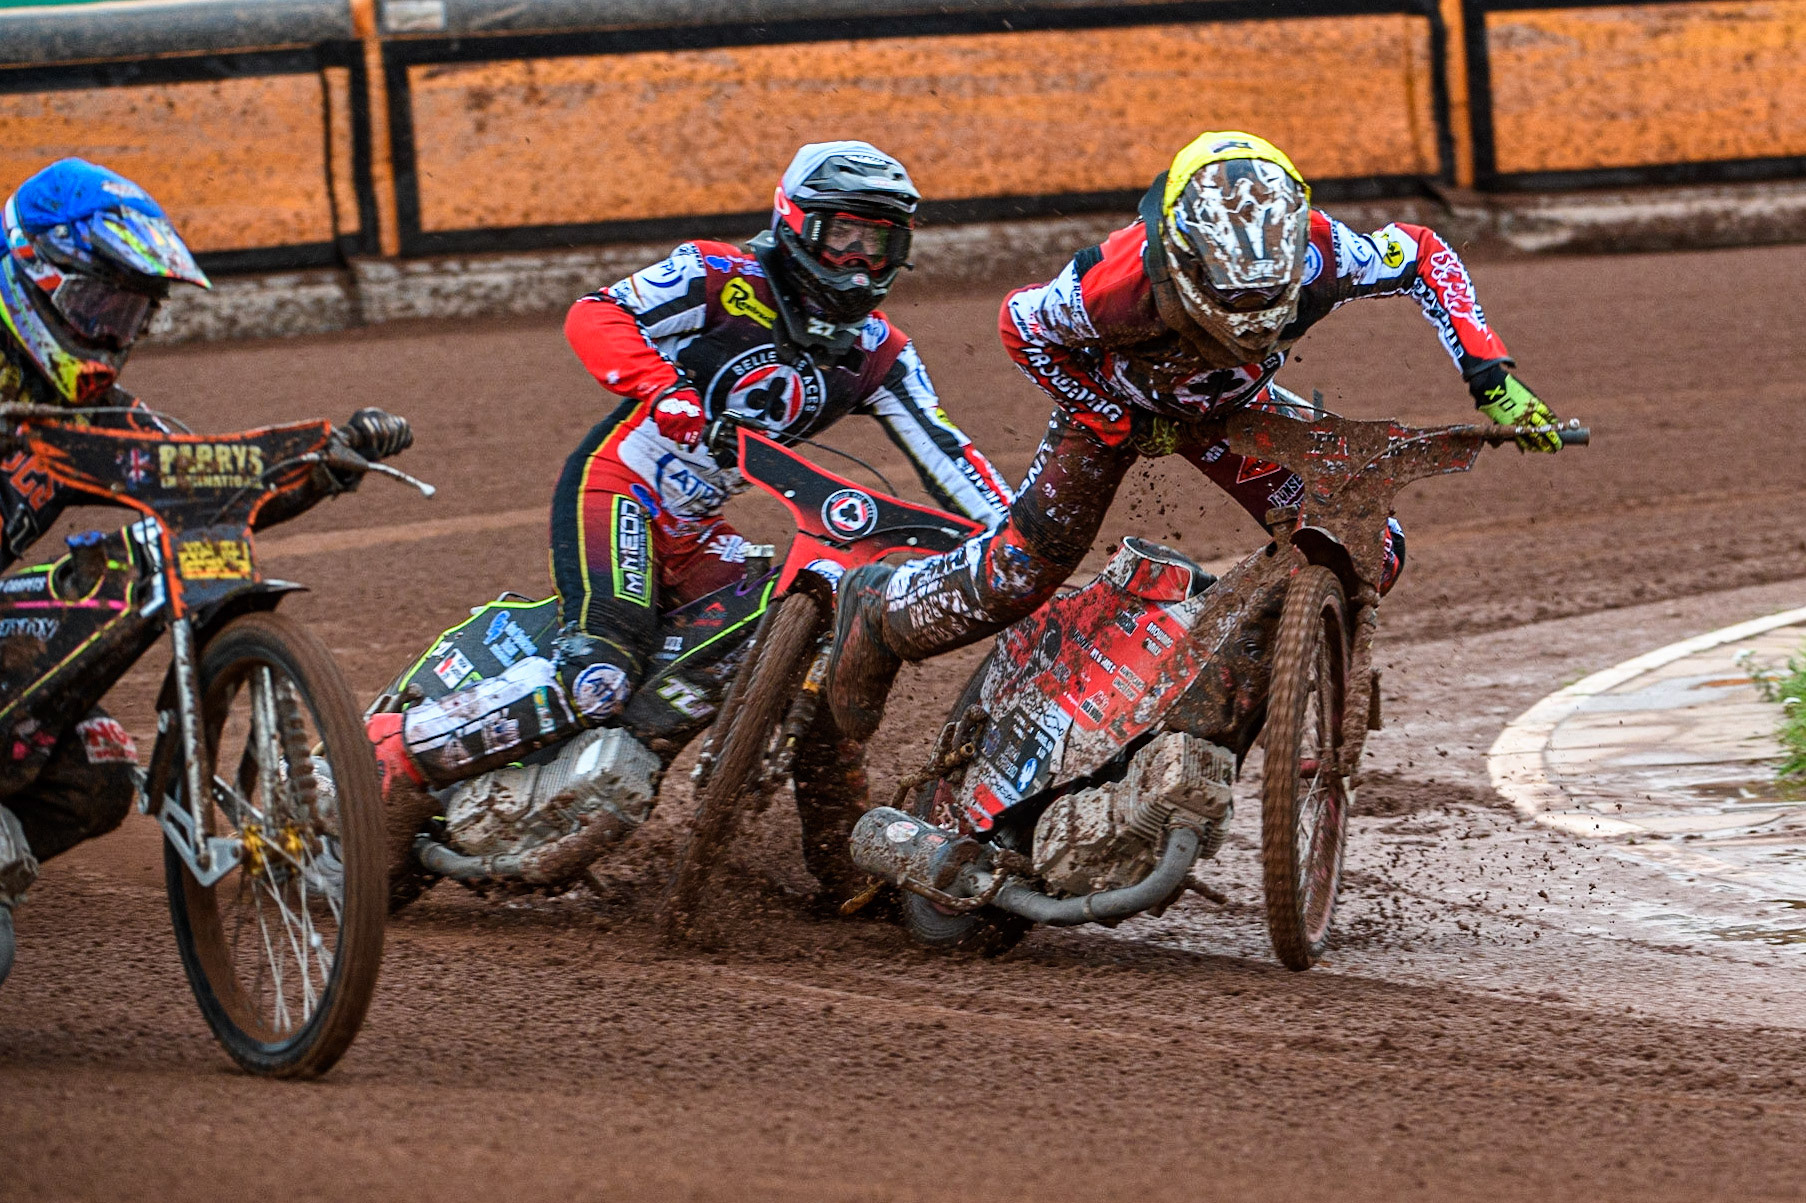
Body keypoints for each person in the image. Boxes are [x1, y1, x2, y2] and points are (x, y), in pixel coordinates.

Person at [368, 141, 1013, 900]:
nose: (861, 263)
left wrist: (1018, 536)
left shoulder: (880, 353)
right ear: (798, 224)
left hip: (701, 526)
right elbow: (595, 315)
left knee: (807, 651)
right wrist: (664, 388)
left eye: (883, 244)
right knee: (600, 673)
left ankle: (841, 860)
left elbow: (948, 453)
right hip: (622, 488)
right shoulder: (718, 276)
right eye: (846, 236)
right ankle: (390, 755)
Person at [827, 130, 1565, 742]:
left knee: (1373, 545)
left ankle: (1240, 693)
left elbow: (1427, 256)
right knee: (1021, 574)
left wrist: (1492, 378)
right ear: (1179, 258)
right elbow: (1020, 326)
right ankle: (882, 613)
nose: (1247, 320)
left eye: (1267, 299)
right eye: (1225, 298)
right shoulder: (1112, 285)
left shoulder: (1325, 251)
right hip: (1116, 404)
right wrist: (1116, 417)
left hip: (1233, 412)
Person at [0, 158, 412, 986]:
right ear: (32, 281)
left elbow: (199, 475)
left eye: (131, 314)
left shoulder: (82, 405)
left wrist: (324, 462)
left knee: (101, 770)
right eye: (97, 305)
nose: (110, 333)